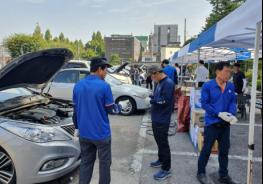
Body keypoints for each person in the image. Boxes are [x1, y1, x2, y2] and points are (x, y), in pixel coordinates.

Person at [73, 57, 127, 184]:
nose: (106, 73)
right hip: (101, 134)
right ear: (99, 69)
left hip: (84, 134)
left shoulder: (78, 85)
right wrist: (120, 106)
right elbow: (110, 109)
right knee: (104, 164)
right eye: (105, 70)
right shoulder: (104, 86)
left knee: (86, 162)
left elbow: (75, 110)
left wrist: (77, 127)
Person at [197, 62, 238, 184]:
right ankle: (201, 172)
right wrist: (218, 114)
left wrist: (231, 114)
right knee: (207, 149)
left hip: (225, 125)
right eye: (226, 71)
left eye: (230, 71)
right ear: (217, 71)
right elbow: (205, 103)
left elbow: (232, 102)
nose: (228, 74)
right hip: (212, 123)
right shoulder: (208, 86)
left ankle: (223, 175)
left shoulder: (230, 86)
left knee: (224, 150)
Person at [148, 65, 175, 181]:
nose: (152, 79)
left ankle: (166, 168)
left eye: (152, 76)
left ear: (156, 73)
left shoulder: (168, 83)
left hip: (162, 118)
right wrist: (151, 96)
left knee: (163, 143)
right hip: (156, 117)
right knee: (159, 141)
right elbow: (158, 96)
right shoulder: (159, 82)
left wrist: (152, 100)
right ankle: (160, 159)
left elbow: (165, 101)